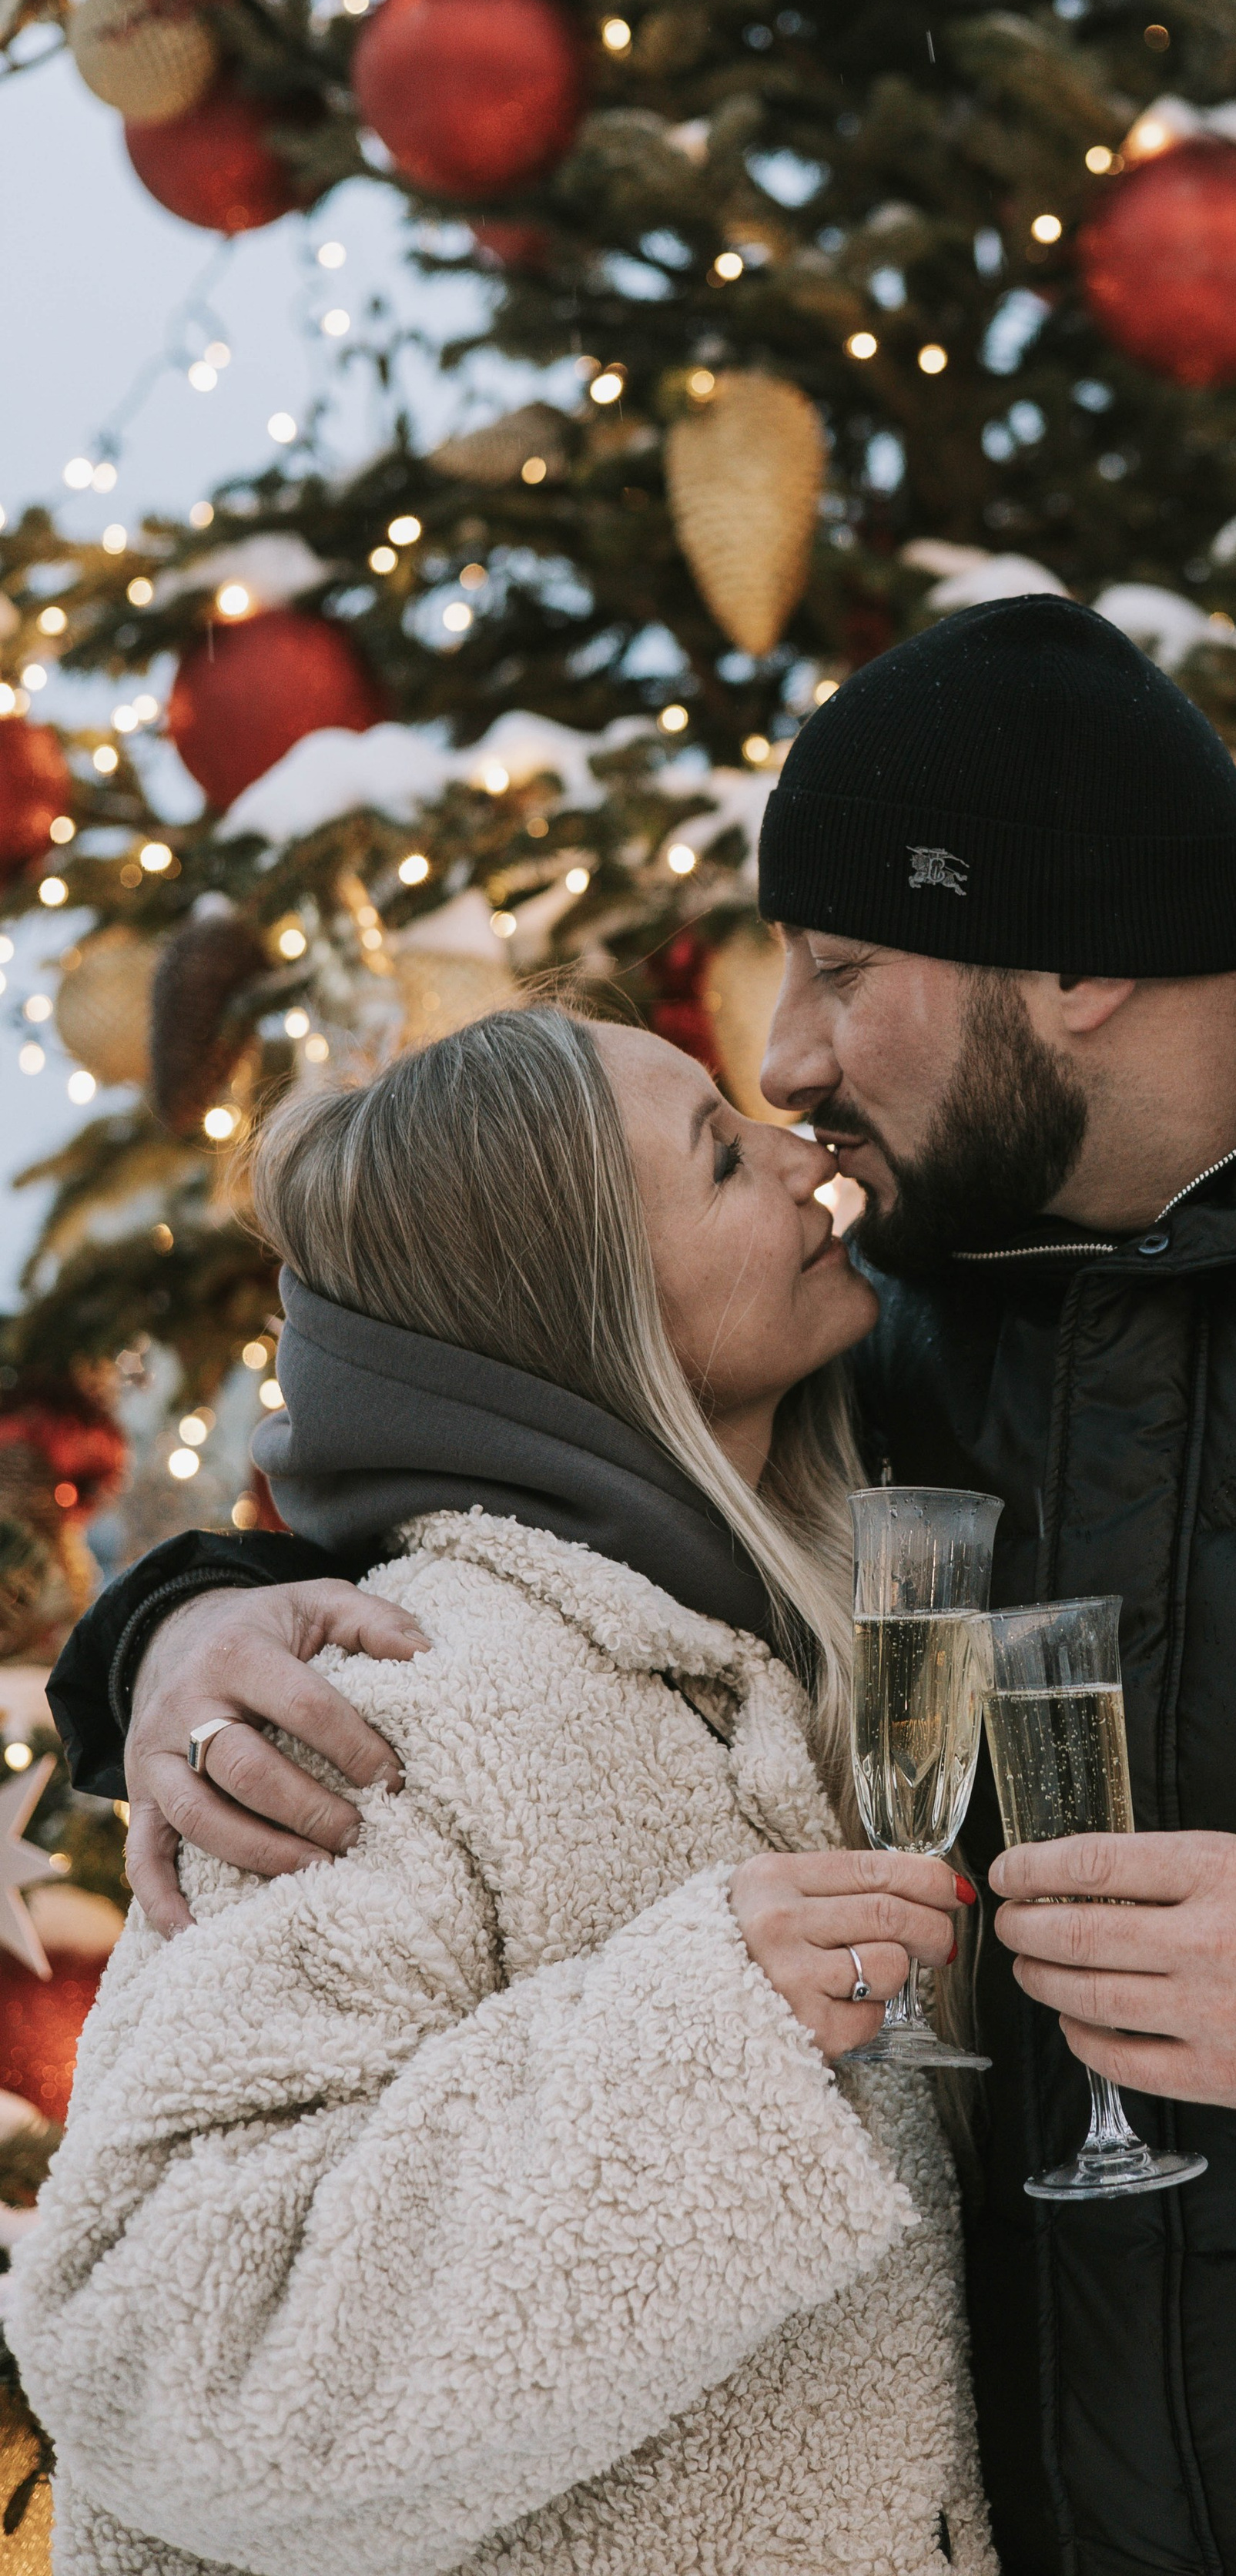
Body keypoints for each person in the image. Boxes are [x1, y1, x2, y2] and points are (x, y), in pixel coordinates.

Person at [47, 595, 1236, 2576]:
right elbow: (547, 1458)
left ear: (1063, 955)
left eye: (840, 966)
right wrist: (170, 1622)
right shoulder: (911, 1318)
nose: (785, 1057)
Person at [12, 1006, 992, 2576]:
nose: (806, 1155)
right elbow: (164, 2354)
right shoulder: (390, 1713)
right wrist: (708, 2043)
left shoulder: (780, 1650)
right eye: (720, 1158)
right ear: (580, 1302)